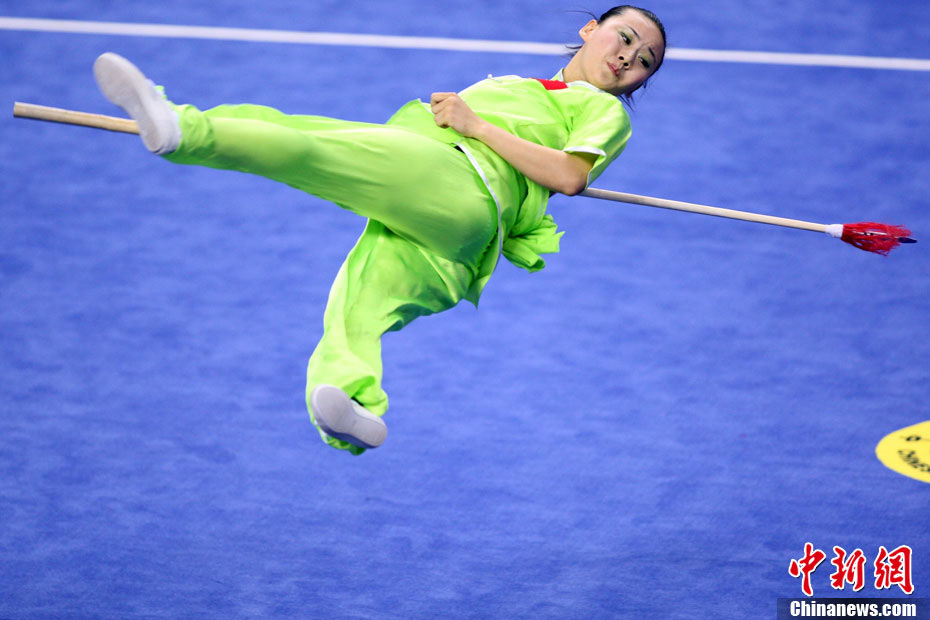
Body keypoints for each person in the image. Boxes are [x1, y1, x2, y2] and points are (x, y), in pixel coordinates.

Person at [92, 5, 667, 454]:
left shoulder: (604, 112)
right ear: (590, 30)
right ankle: (352, 403)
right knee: (358, 305)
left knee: (308, 142)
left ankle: (182, 130)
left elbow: (569, 176)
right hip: (458, 242)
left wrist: (475, 124)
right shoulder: (528, 86)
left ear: (638, 83)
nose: (628, 58)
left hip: (457, 181)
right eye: (624, 39)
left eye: (643, 60)